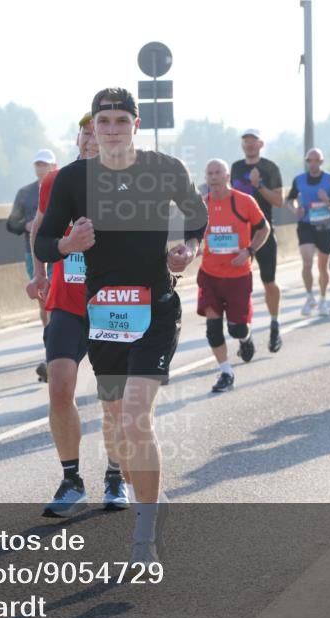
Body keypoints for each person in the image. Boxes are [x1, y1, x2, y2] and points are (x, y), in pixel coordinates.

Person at [36, 87, 208, 564]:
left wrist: (188, 249)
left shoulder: (164, 169)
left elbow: (197, 216)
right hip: (105, 315)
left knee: (135, 416)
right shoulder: (73, 179)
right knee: (116, 424)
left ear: (136, 125)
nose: (111, 130)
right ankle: (147, 497)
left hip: (155, 308)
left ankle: (144, 538)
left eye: (120, 121)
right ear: (92, 127)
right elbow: (44, 242)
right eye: (103, 121)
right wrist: (67, 244)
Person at [26, 113, 129, 516]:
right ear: (78, 139)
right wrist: (39, 274)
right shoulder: (56, 181)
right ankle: (71, 480)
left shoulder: (125, 180)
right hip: (67, 303)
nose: (90, 139)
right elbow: (39, 229)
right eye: (85, 133)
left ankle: (115, 476)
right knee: (59, 386)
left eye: (97, 133)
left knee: (113, 399)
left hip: (111, 304)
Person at [198, 159, 270, 392]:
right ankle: (226, 372)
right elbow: (194, 234)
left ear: (227, 176)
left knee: (237, 328)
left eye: (218, 172)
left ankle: (245, 338)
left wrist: (249, 250)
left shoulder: (244, 201)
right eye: (210, 173)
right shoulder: (201, 205)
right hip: (210, 275)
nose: (214, 177)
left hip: (238, 276)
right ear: (206, 178)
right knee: (212, 327)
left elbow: (264, 228)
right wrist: (194, 247)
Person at [230, 130, 284, 352]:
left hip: (264, 232)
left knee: (269, 282)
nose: (250, 145)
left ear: (260, 144)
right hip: (240, 234)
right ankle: (245, 334)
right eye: (246, 141)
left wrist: (259, 184)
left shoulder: (270, 168)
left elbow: (279, 201)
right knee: (240, 287)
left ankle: (274, 325)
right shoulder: (235, 167)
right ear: (242, 145)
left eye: (253, 141)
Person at [8, 149, 58, 382]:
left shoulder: (61, 186)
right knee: (44, 300)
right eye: (38, 164)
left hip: (59, 251)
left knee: (56, 297)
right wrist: (26, 226)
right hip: (33, 253)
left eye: (45, 164)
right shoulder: (25, 193)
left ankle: (55, 349)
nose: (41, 168)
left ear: (54, 166)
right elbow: (11, 224)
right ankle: (50, 340)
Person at [287, 148, 330, 316]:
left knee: (323, 266)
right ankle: (309, 297)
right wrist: (295, 209)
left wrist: (327, 200)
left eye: (316, 160)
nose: (312, 164)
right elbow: (290, 199)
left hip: (325, 225)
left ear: (321, 162)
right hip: (306, 224)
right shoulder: (299, 180)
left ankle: (323, 299)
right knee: (307, 262)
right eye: (309, 161)